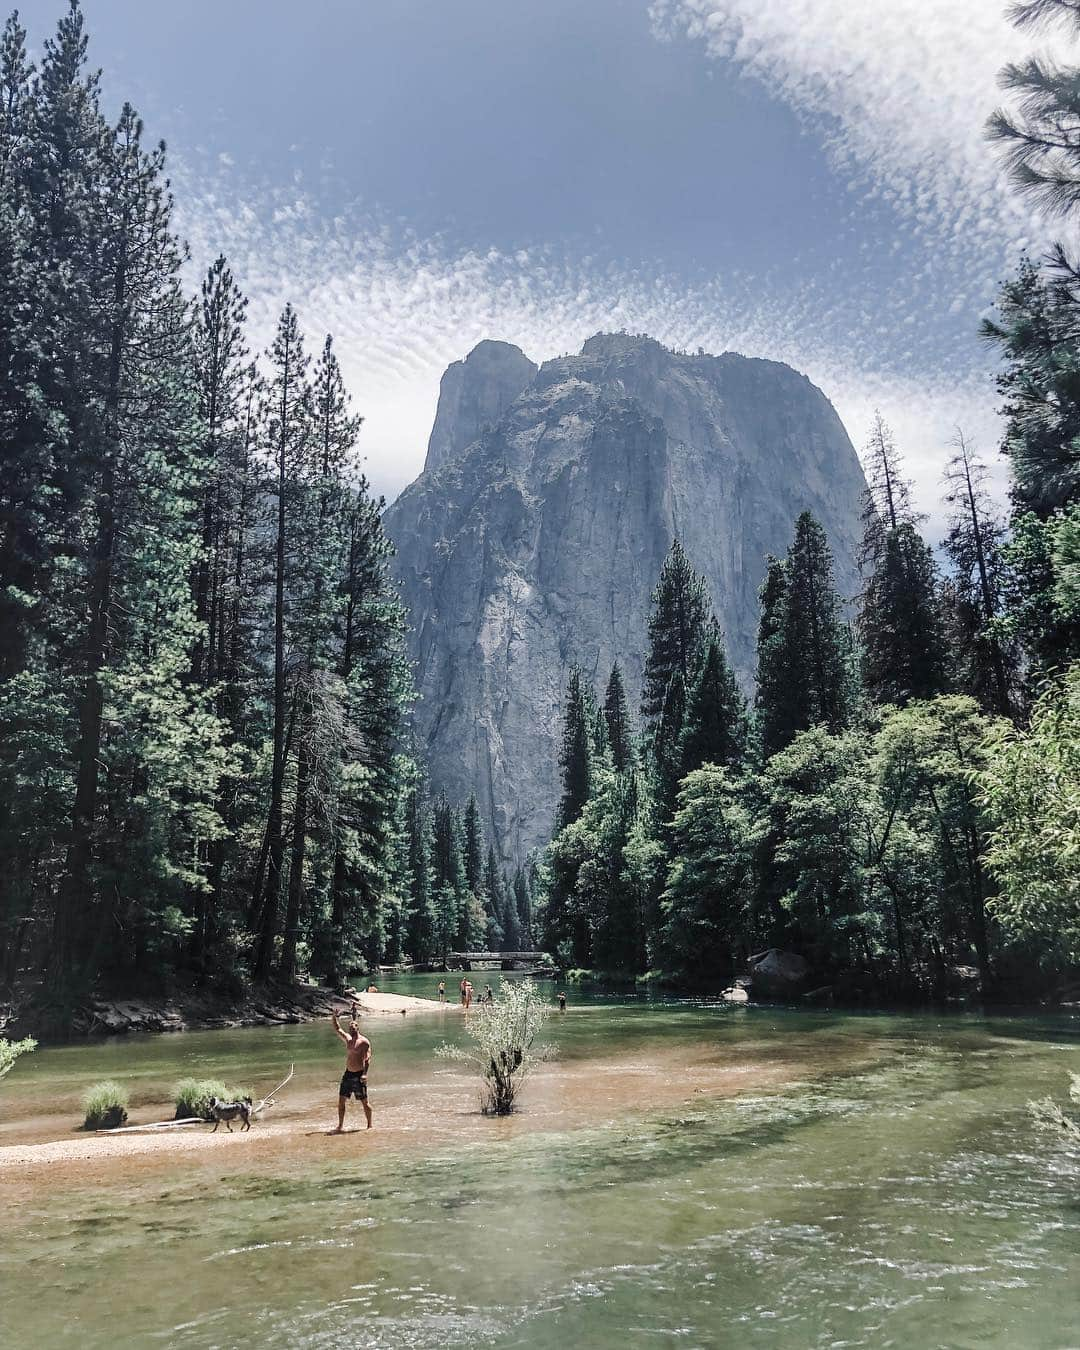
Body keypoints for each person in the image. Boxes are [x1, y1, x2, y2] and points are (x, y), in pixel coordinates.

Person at [331, 1006, 372, 1133]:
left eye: (353, 1029)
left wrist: (364, 1074)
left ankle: (370, 1125)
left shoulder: (364, 1042)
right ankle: (340, 1125)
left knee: (364, 1102)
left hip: (359, 1075)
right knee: (341, 1100)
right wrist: (334, 1017)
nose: (351, 1030)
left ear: (357, 1028)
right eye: (350, 1029)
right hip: (348, 1074)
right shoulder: (348, 1040)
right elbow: (338, 1029)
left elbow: (367, 1059)